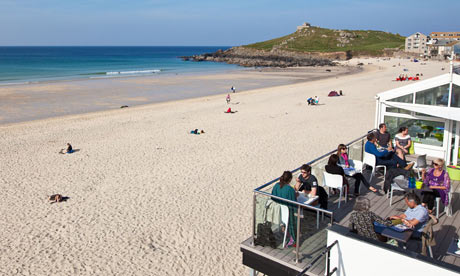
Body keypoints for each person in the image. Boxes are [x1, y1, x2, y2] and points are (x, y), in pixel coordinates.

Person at [271, 171, 297, 247]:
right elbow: (294, 203)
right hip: (287, 212)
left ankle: (285, 230)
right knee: (294, 220)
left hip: (278, 212)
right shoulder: (290, 189)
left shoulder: (276, 186)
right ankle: (293, 239)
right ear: (290, 179)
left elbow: (273, 198)